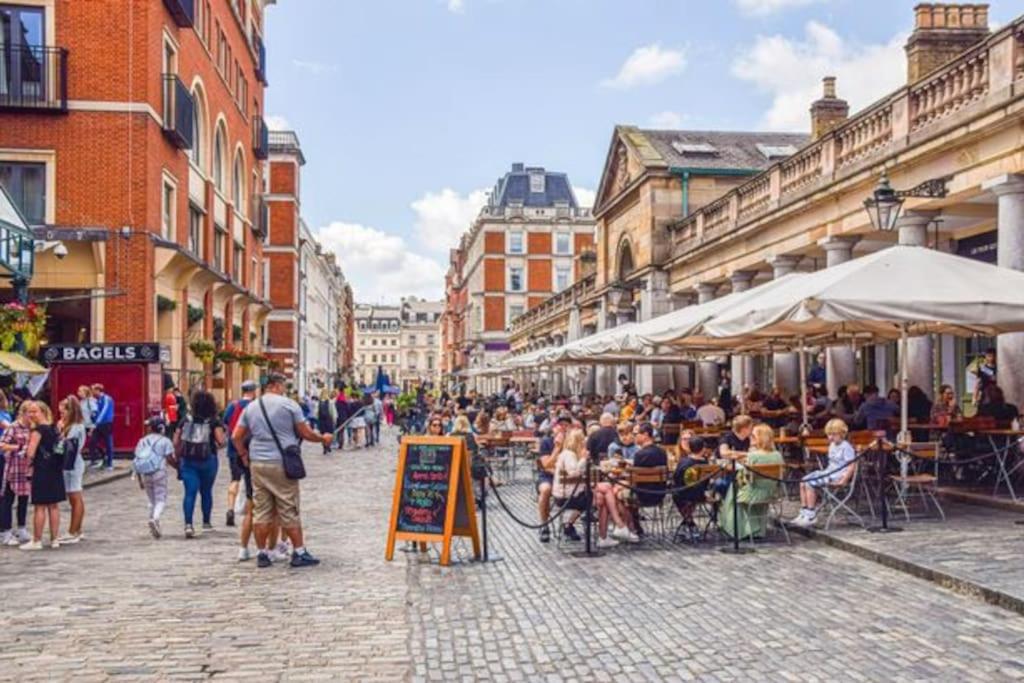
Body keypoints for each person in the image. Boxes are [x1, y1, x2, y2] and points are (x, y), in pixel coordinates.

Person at [232, 373, 332, 568]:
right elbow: (305, 433)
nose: (284, 389)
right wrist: (323, 439)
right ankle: (299, 551)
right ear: (276, 385)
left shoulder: (252, 407)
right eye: (283, 385)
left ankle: (262, 553)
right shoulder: (288, 405)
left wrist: (244, 455)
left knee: (261, 510)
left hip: (257, 464)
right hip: (281, 462)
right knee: (288, 507)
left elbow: (236, 436)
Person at [718, 423, 784, 539]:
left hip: (753, 494)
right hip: (770, 493)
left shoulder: (753, 456)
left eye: (753, 436)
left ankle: (740, 530)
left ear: (760, 438)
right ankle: (757, 530)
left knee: (732, 490)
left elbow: (744, 478)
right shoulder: (777, 455)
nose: (750, 438)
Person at [173, 390, 225, 538]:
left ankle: (188, 524)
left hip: (188, 461)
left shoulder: (185, 419)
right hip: (208, 459)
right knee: (206, 491)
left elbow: (176, 441)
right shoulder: (214, 420)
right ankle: (206, 522)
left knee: (189, 493)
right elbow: (220, 441)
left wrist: (177, 458)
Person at [791, 418, 857, 527]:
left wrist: (844, 480)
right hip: (829, 472)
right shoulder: (832, 445)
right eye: (829, 435)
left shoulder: (846, 447)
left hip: (837, 475)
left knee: (810, 483)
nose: (830, 438)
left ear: (842, 434)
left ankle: (811, 514)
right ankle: (804, 511)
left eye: (834, 435)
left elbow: (851, 465)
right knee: (803, 481)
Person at [19, 402, 63, 550]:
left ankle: (37, 540)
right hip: (55, 468)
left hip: (42, 469)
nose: (31, 415)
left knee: (40, 506)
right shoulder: (54, 428)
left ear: (43, 412)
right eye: (29, 412)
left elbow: (30, 452)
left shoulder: (38, 431)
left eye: (34, 412)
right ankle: (55, 539)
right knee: (54, 506)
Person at [131, 417, 175, 539]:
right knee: (161, 499)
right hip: (159, 471)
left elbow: (138, 459)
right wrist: (178, 468)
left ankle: (153, 521)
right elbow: (170, 458)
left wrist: (139, 479)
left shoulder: (142, 441)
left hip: (146, 473)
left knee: (151, 500)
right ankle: (155, 519)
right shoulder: (165, 441)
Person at [223, 381, 257, 529]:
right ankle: (251, 511)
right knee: (252, 482)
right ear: (254, 391)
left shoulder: (233, 405)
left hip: (233, 448)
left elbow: (226, 423)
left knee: (235, 479)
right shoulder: (255, 406)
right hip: (251, 449)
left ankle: (230, 508)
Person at [0, 401, 31, 546]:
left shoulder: (32, 427)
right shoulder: (13, 427)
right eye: (29, 412)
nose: (32, 416)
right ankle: (5, 531)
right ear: (23, 412)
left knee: (24, 499)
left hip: (26, 468)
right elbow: (2, 445)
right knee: (8, 499)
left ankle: (21, 527)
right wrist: (18, 447)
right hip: (13, 467)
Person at [57, 395, 87, 544]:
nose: (61, 414)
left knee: (74, 497)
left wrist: (59, 431)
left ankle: (73, 531)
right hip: (76, 462)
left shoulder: (74, 427)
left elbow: (66, 446)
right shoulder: (77, 425)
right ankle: (78, 530)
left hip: (72, 463)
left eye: (63, 412)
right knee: (77, 497)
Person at [534, 415, 569, 543]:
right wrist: (557, 448)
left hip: (569, 476)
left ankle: (569, 524)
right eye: (561, 425)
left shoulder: (572, 441)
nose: (564, 428)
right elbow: (546, 465)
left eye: (567, 425)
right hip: (548, 476)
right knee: (545, 490)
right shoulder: (546, 442)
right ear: (554, 428)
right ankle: (544, 525)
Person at [630, 423, 668, 534]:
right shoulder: (662, 452)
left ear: (646, 434)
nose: (634, 436)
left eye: (637, 434)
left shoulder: (640, 454)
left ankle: (632, 525)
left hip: (642, 494)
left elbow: (635, 478)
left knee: (619, 494)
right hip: (660, 494)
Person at [671, 434, 711, 541]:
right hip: (699, 494)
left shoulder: (683, 461)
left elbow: (676, 478)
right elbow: (707, 481)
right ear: (703, 449)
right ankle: (690, 523)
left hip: (683, 493)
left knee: (676, 496)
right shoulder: (705, 463)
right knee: (690, 499)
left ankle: (689, 523)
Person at [90, 383, 116, 471]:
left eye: (93, 390)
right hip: (98, 424)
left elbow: (103, 412)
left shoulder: (107, 399)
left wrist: (96, 423)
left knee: (108, 443)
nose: (92, 392)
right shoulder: (96, 400)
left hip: (106, 424)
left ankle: (109, 463)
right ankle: (100, 458)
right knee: (93, 442)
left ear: (98, 390)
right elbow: (95, 411)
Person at [316, 390, 336, 455]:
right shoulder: (330, 402)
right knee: (329, 434)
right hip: (328, 420)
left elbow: (316, 413)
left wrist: (317, 420)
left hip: (321, 420)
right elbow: (333, 412)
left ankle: (324, 447)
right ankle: (328, 446)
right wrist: (334, 419)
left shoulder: (318, 402)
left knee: (323, 435)